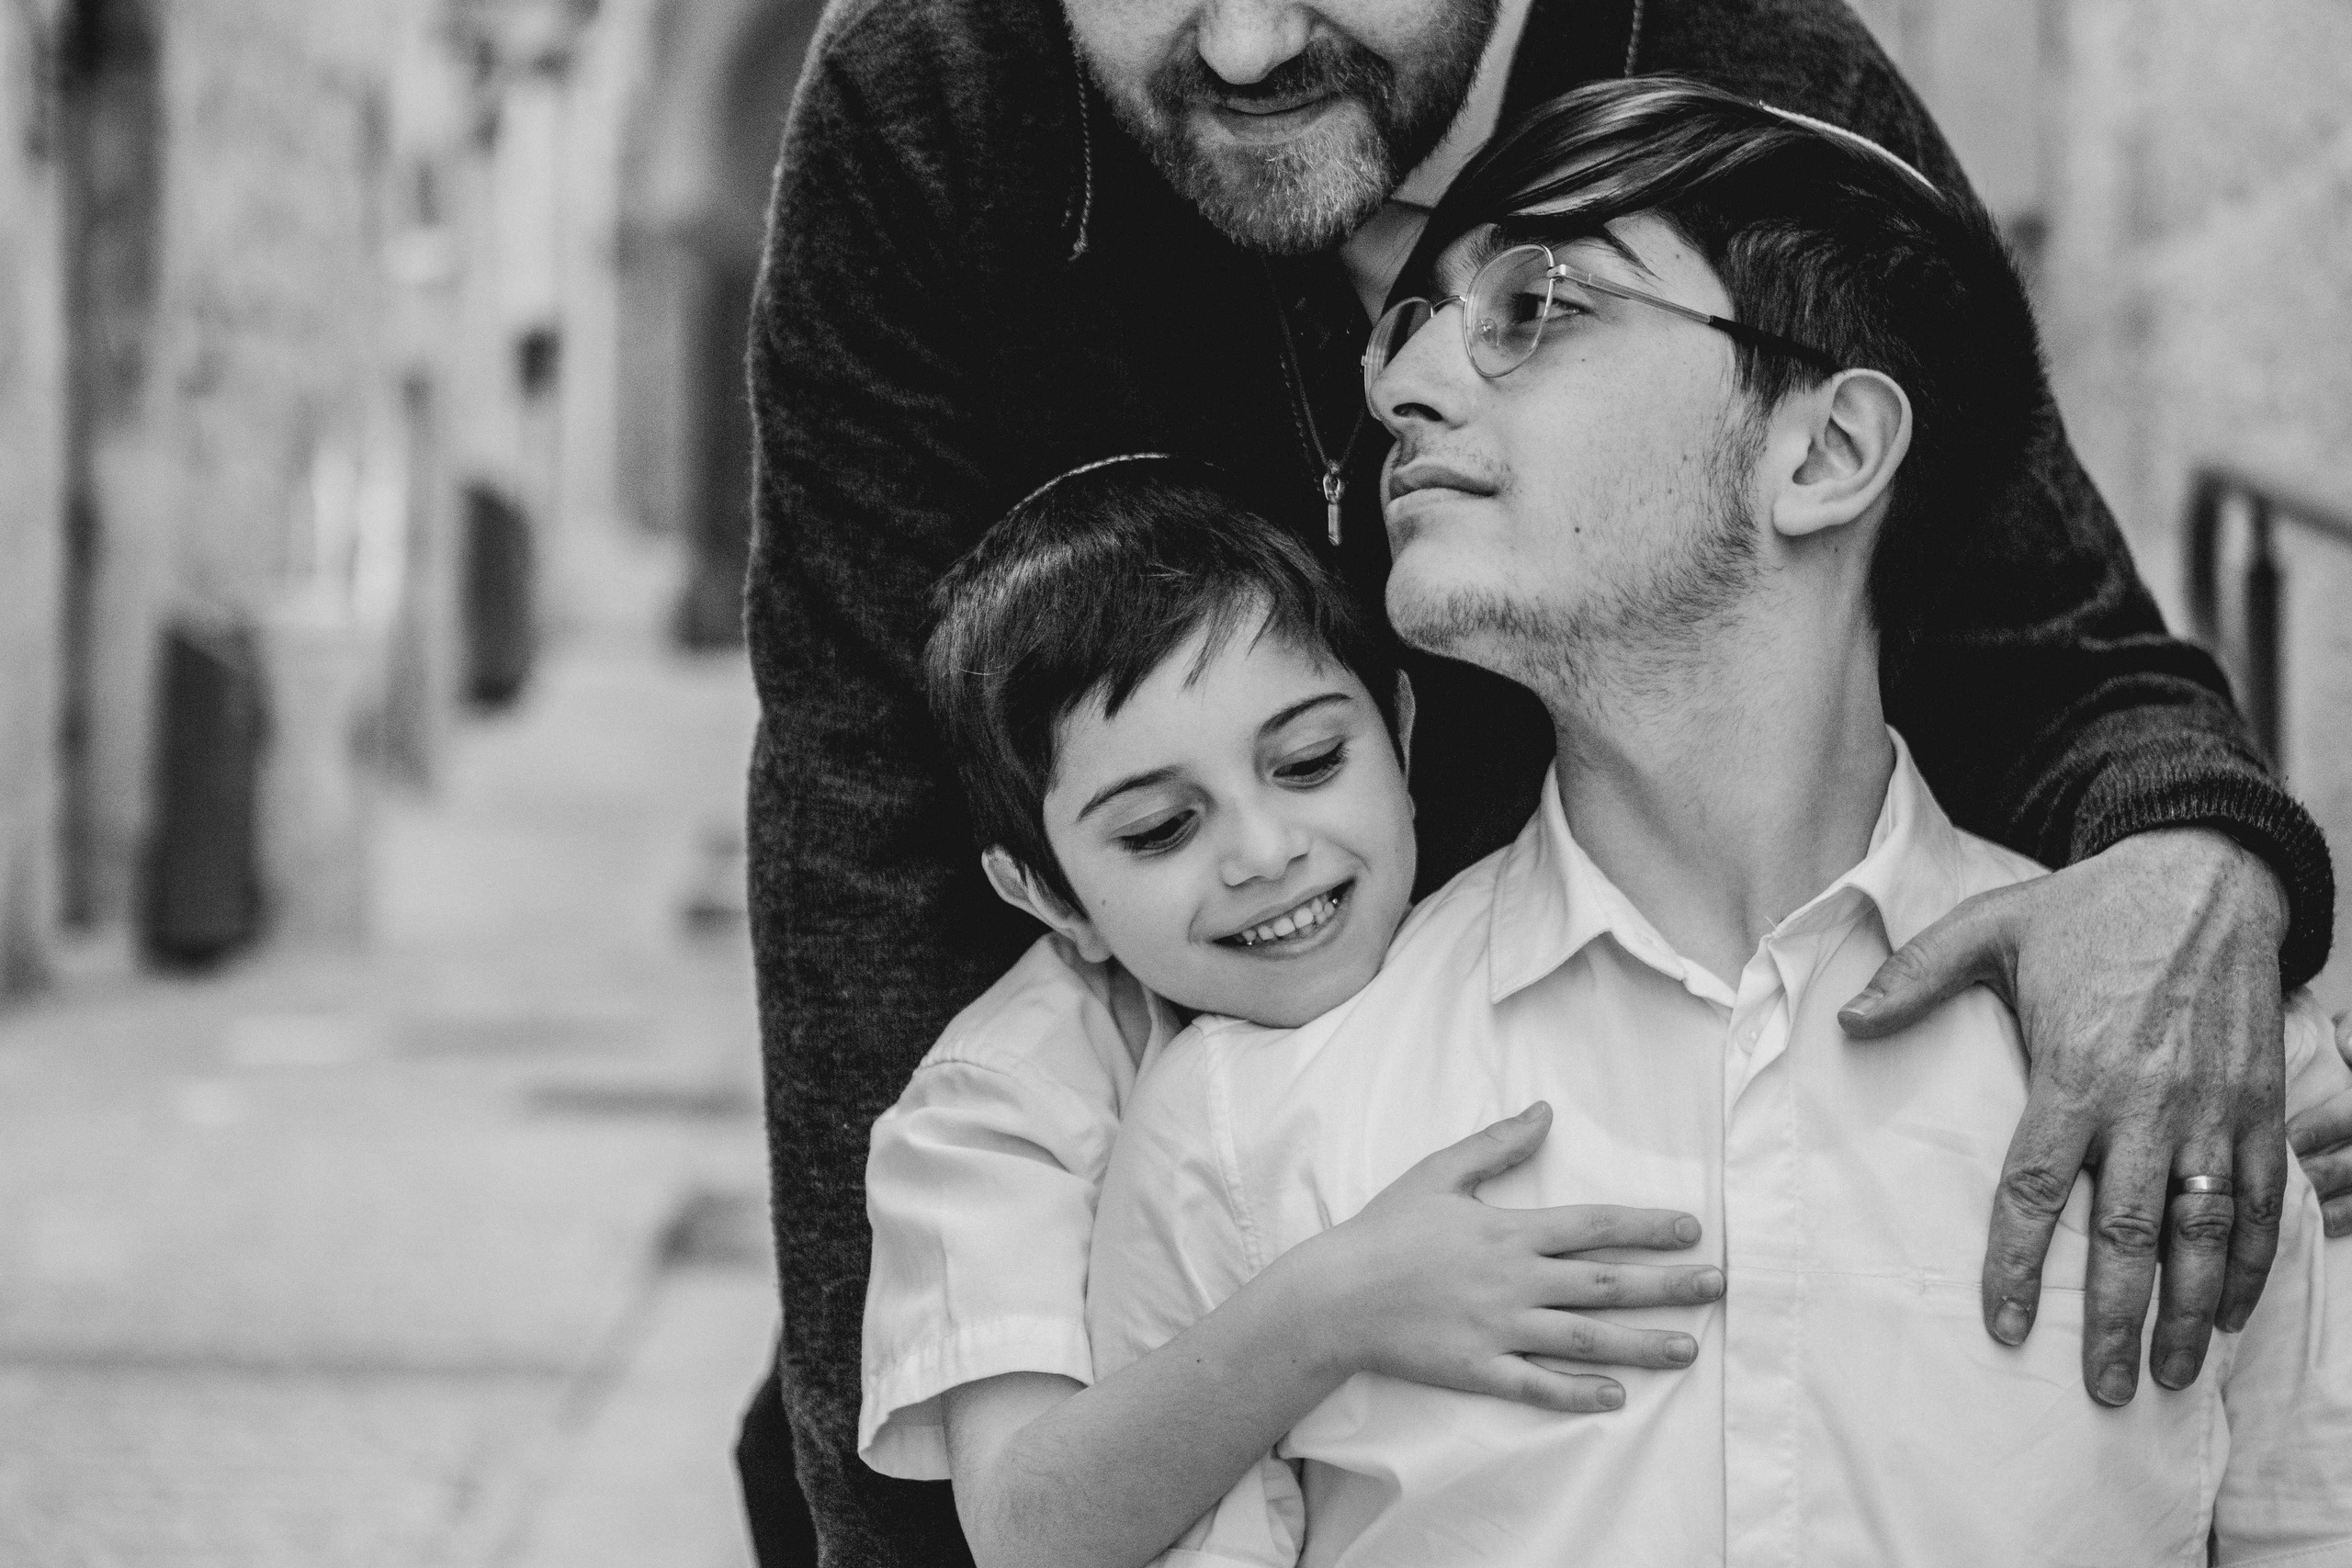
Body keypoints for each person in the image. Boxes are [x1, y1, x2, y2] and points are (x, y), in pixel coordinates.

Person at [741, 0, 2341, 1559]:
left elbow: (2049, 638)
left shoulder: (1761, 79)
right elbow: (858, 844)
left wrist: (2195, 877)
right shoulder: (1228, 1134)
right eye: (1421, 323)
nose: (1242, 44)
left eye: (1535, 306)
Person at [862, 458, 1727, 1568]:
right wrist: (1334, 1305)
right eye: (1160, 830)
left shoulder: (1521, 932)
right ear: (1047, 895)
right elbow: (1028, 1529)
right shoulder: (995, 1114)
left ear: (1400, 735)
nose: (1266, 853)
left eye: (1309, 764)